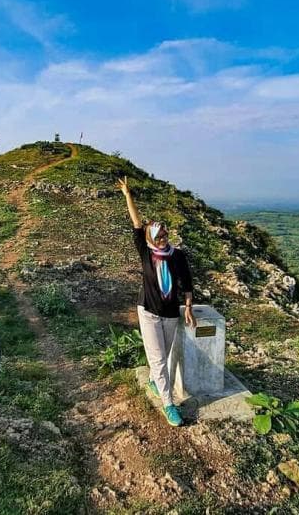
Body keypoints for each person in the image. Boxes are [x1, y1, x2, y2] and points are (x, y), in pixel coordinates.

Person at [117, 176, 195, 427]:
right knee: (159, 359)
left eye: (164, 234)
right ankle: (169, 404)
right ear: (150, 239)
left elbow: (187, 282)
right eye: (158, 236)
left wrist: (189, 308)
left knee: (164, 354)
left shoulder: (177, 256)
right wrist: (128, 195)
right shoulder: (145, 251)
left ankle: (154, 380)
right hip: (148, 311)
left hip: (171, 313)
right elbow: (137, 223)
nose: (163, 239)